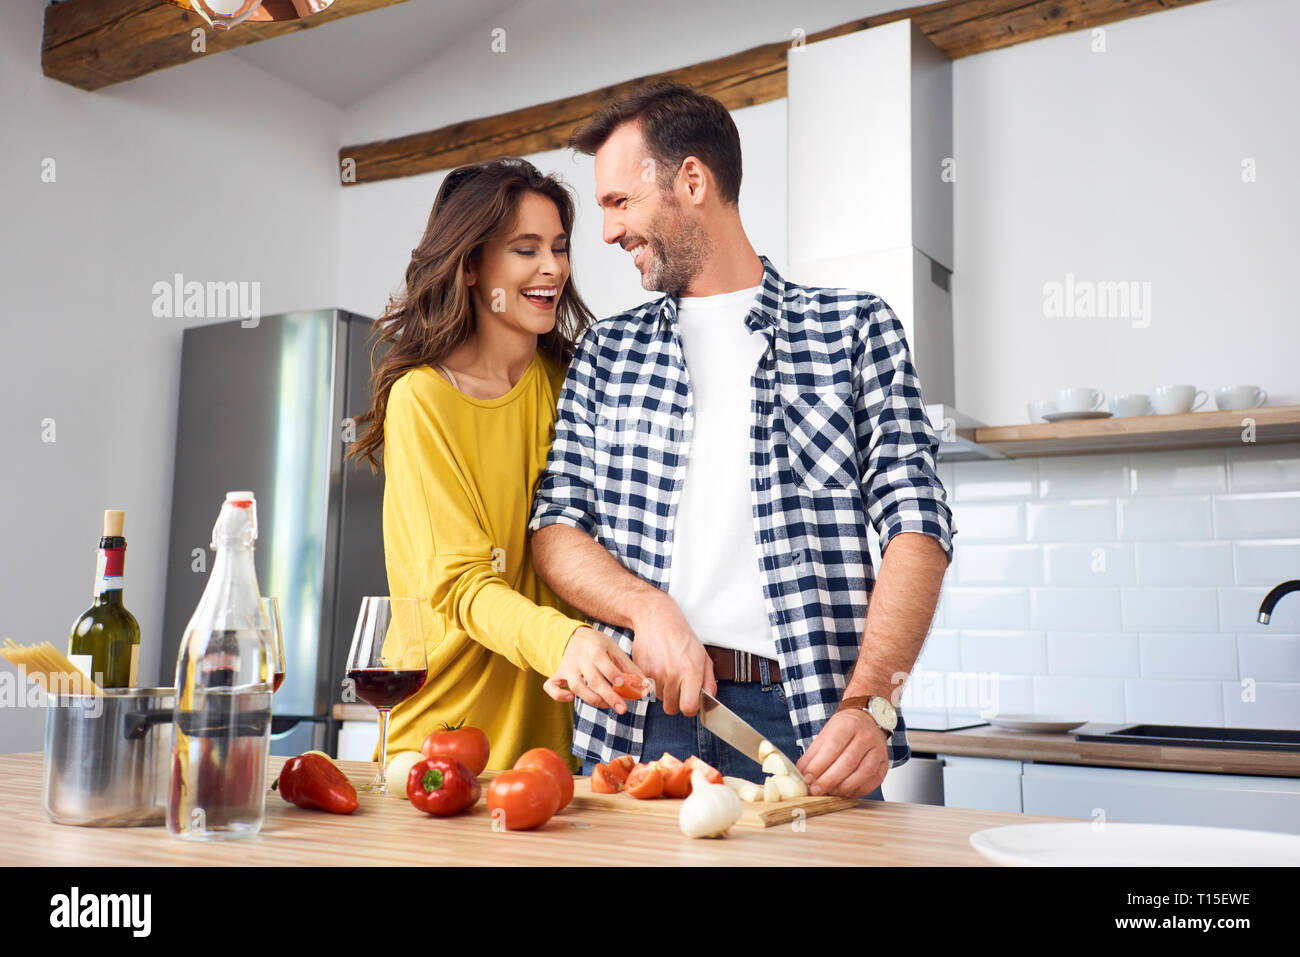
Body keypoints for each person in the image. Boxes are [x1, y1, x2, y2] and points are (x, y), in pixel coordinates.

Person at [529, 82, 955, 798]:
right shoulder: (606, 352)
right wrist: (646, 608)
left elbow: (917, 523)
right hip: (640, 722)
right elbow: (554, 531)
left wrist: (872, 701)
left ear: (691, 180)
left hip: (810, 722)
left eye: (619, 203)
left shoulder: (853, 331)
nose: (607, 233)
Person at [349, 157, 645, 772]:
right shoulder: (425, 398)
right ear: (471, 266)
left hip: (565, 744)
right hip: (444, 739)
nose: (552, 268)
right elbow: (460, 581)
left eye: (560, 248)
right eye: (525, 248)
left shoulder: (573, 384)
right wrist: (564, 640)